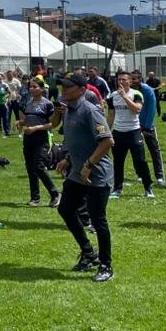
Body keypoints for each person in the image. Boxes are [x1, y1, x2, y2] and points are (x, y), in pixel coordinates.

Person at [54, 72, 115, 282]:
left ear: (82, 90)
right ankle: (88, 252)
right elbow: (78, 140)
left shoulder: (90, 111)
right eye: (63, 86)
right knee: (65, 209)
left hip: (96, 175)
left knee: (98, 220)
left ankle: (106, 266)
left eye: (68, 87)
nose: (64, 90)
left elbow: (107, 141)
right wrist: (68, 159)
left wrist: (89, 165)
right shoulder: (69, 111)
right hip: (78, 173)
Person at [14, 77, 60, 207]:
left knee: (39, 167)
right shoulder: (28, 103)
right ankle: (35, 198)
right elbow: (28, 119)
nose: (32, 89)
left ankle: (55, 194)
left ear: (41, 89)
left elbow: (52, 124)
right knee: (30, 169)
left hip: (41, 138)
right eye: (31, 87)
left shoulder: (47, 104)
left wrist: (36, 128)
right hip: (28, 139)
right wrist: (20, 122)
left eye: (35, 87)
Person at [106, 71, 152, 199]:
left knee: (140, 161)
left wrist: (125, 97)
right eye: (119, 79)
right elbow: (111, 115)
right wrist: (107, 132)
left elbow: (137, 109)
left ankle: (148, 187)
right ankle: (117, 189)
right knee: (118, 162)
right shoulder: (112, 95)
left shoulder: (136, 94)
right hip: (118, 132)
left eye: (124, 80)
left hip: (133, 131)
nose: (121, 82)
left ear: (130, 81)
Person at [130, 70, 165, 186]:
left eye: (135, 79)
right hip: (134, 125)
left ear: (140, 79)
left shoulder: (147, 90)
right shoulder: (129, 91)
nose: (132, 81)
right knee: (137, 151)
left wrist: (147, 126)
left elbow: (151, 109)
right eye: (131, 78)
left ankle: (159, 176)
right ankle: (140, 174)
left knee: (154, 150)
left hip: (147, 125)